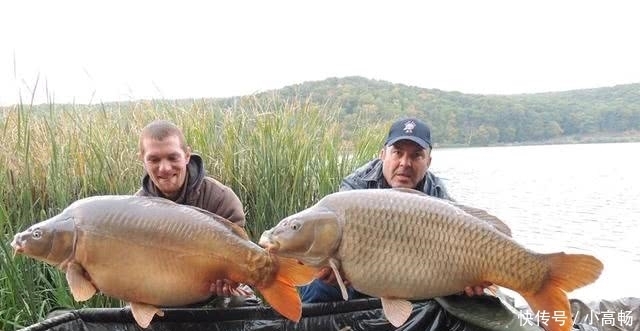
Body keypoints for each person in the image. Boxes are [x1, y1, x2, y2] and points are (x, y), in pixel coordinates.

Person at [299, 117, 489, 303]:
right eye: (398, 152)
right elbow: (334, 244)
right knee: (318, 285)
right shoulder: (355, 187)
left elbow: (462, 247)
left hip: (415, 277)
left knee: (465, 297)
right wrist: (336, 271)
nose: (405, 163)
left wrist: (469, 278)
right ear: (383, 155)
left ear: (428, 161)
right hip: (362, 278)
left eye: (416, 155)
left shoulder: (437, 194)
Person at [135, 119, 258, 306]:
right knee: (133, 306)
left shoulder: (219, 197)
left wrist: (229, 279)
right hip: (162, 289)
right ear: (142, 160)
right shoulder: (135, 208)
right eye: (154, 159)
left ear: (186, 156)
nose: (165, 168)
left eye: (172, 157)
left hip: (213, 288)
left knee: (239, 301)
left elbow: (238, 253)